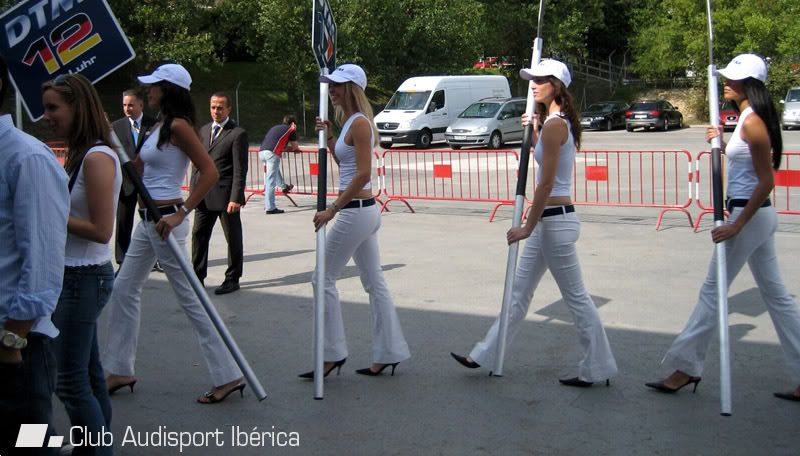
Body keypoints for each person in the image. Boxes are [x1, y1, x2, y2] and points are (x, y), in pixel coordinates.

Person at [450, 59, 618, 387]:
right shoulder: (554, 123)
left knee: (576, 299)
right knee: (518, 295)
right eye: (532, 78)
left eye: (541, 79)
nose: (533, 83)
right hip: (548, 222)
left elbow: (546, 183)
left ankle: (598, 366)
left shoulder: (557, 125)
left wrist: (527, 225)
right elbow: (545, 163)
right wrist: (536, 126)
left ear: (557, 84)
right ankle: (483, 354)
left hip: (554, 222)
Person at [646, 53, 800, 401]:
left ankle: (686, 368)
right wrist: (724, 140)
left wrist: (736, 226)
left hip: (750, 215)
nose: (725, 83)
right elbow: (747, 163)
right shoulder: (747, 118)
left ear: (750, 85)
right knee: (777, 297)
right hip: (753, 216)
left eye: (732, 78)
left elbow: (765, 181)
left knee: (711, 292)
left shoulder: (754, 121)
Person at [103, 64, 244, 404]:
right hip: (147, 219)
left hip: (166, 219)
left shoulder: (178, 126)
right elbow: (143, 169)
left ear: (168, 89)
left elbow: (208, 172)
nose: (147, 91)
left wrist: (182, 213)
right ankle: (120, 368)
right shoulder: (158, 127)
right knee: (124, 288)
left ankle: (228, 374)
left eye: (153, 86)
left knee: (192, 301)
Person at [300, 64, 410, 379]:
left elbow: (363, 172)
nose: (331, 90)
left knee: (322, 279)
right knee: (375, 284)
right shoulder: (349, 122)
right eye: (330, 85)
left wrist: (333, 208)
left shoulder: (361, 124)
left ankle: (332, 354)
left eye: (337, 85)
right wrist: (329, 134)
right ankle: (389, 352)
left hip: (356, 210)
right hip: (361, 211)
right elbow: (344, 159)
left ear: (352, 89)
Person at [42, 74, 122, 455]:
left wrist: (49, 212)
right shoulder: (86, 153)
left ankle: (95, 449)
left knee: (69, 382)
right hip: (77, 277)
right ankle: (94, 445)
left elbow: (102, 230)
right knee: (88, 376)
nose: (47, 117)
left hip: (82, 278)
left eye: (54, 108)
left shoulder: (97, 157)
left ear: (77, 107)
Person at [0, 56, 70, 454]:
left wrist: (12, 341)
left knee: (28, 445)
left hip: (18, 351)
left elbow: (42, 265)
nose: (47, 117)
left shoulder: (27, 159)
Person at [191, 93, 249, 295]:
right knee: (198, 236)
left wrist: (236, 197)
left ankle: (232, 279)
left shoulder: (237, 133)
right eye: (213, 107)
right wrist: (193, 191)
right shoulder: (204, 130)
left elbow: (240, 169)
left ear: (229, 109)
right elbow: (197, 164)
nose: (216, 111)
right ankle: (197, 278)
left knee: (232, 239)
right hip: (203, 196)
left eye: (220, 107)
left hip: (226, 198)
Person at [112, 89, 156, 268]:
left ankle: (155, 258)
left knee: (152, 221)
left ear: (141, 105)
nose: (127, 108)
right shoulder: (116, 127)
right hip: (126, 182)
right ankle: (122, 258)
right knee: (123, 220)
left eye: (130, 104)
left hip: (148, 181)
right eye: (124, 105)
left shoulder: (154, 124)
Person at [259, 115, 299, 215]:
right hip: (272, 153)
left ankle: (283, 186)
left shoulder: (275, 127)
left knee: (275, 171)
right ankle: (270, 207)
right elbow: (295, 147)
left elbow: (276, 142)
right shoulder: (291, 129)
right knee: (270, 181)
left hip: (262, 152)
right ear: (293, 123)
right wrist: (292, 147)